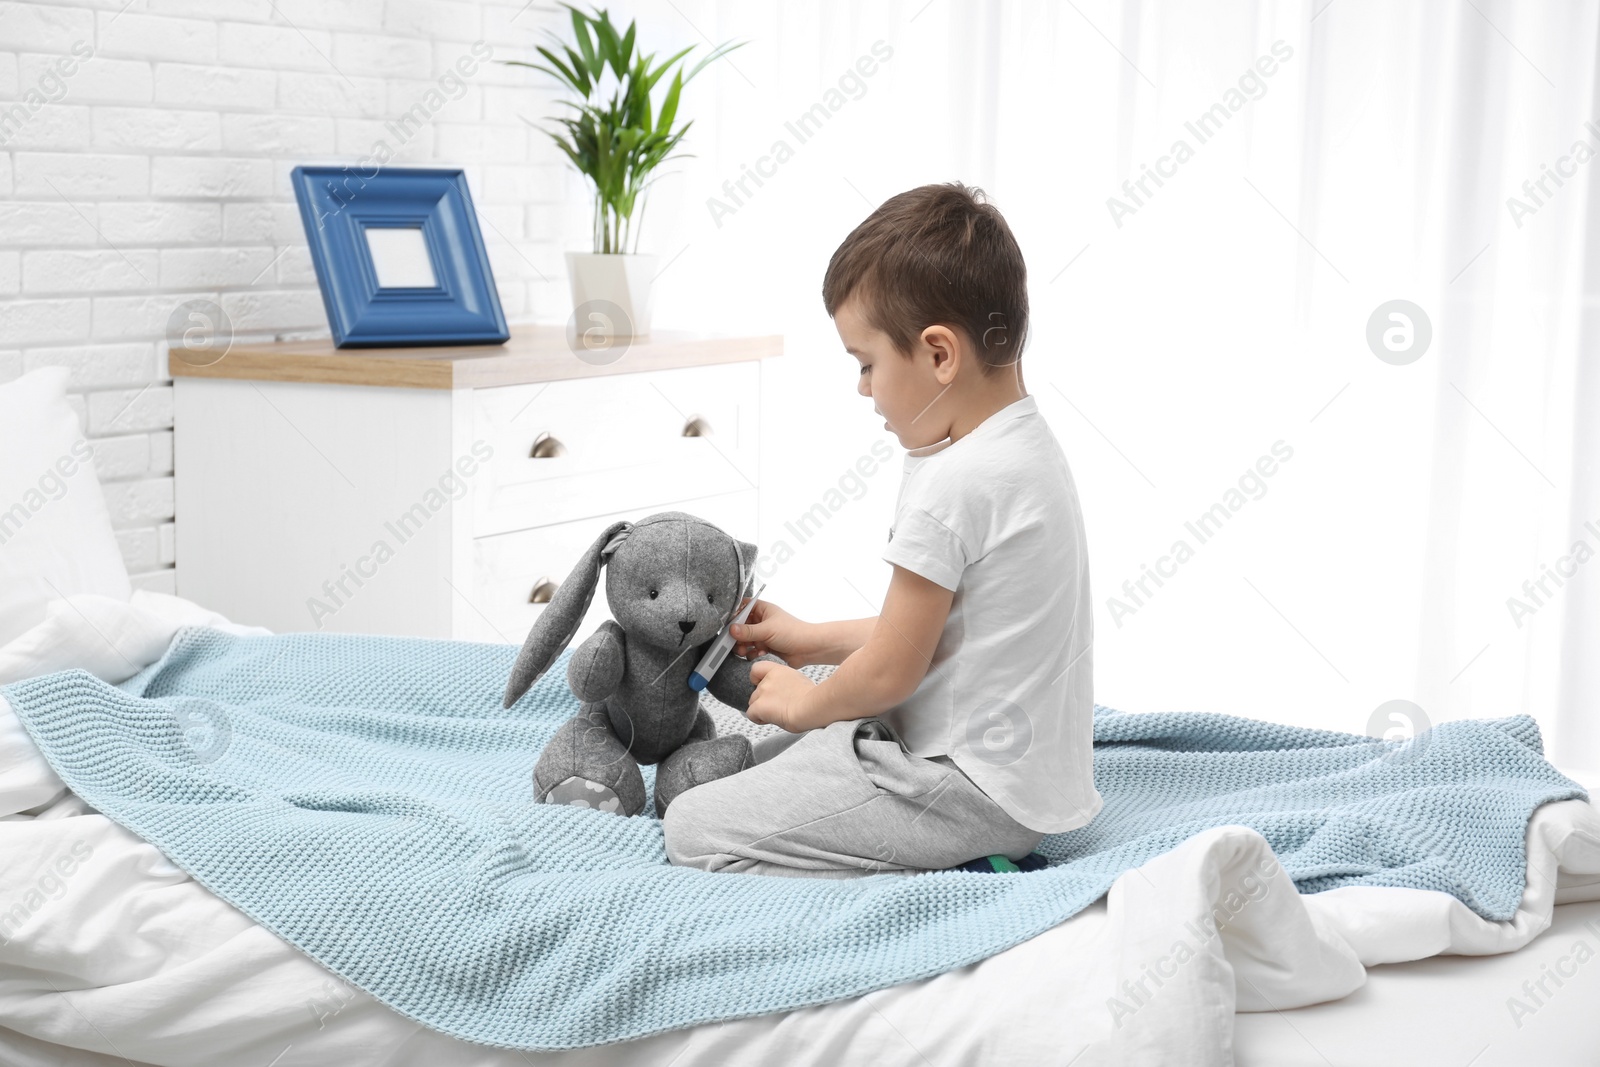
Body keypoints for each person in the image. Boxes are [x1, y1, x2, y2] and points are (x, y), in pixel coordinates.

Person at [661, 182, 1101, 878]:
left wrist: (809, 705)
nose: (863, 389)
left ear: (939, 354)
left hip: (962, 788)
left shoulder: (954, 483)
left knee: (693, 826)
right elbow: (949, 630)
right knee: (789, 732)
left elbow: (896, 669)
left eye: (866, 364)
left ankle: (922, 885)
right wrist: (811, 641)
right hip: (1023, 782)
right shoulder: (1025, 446)